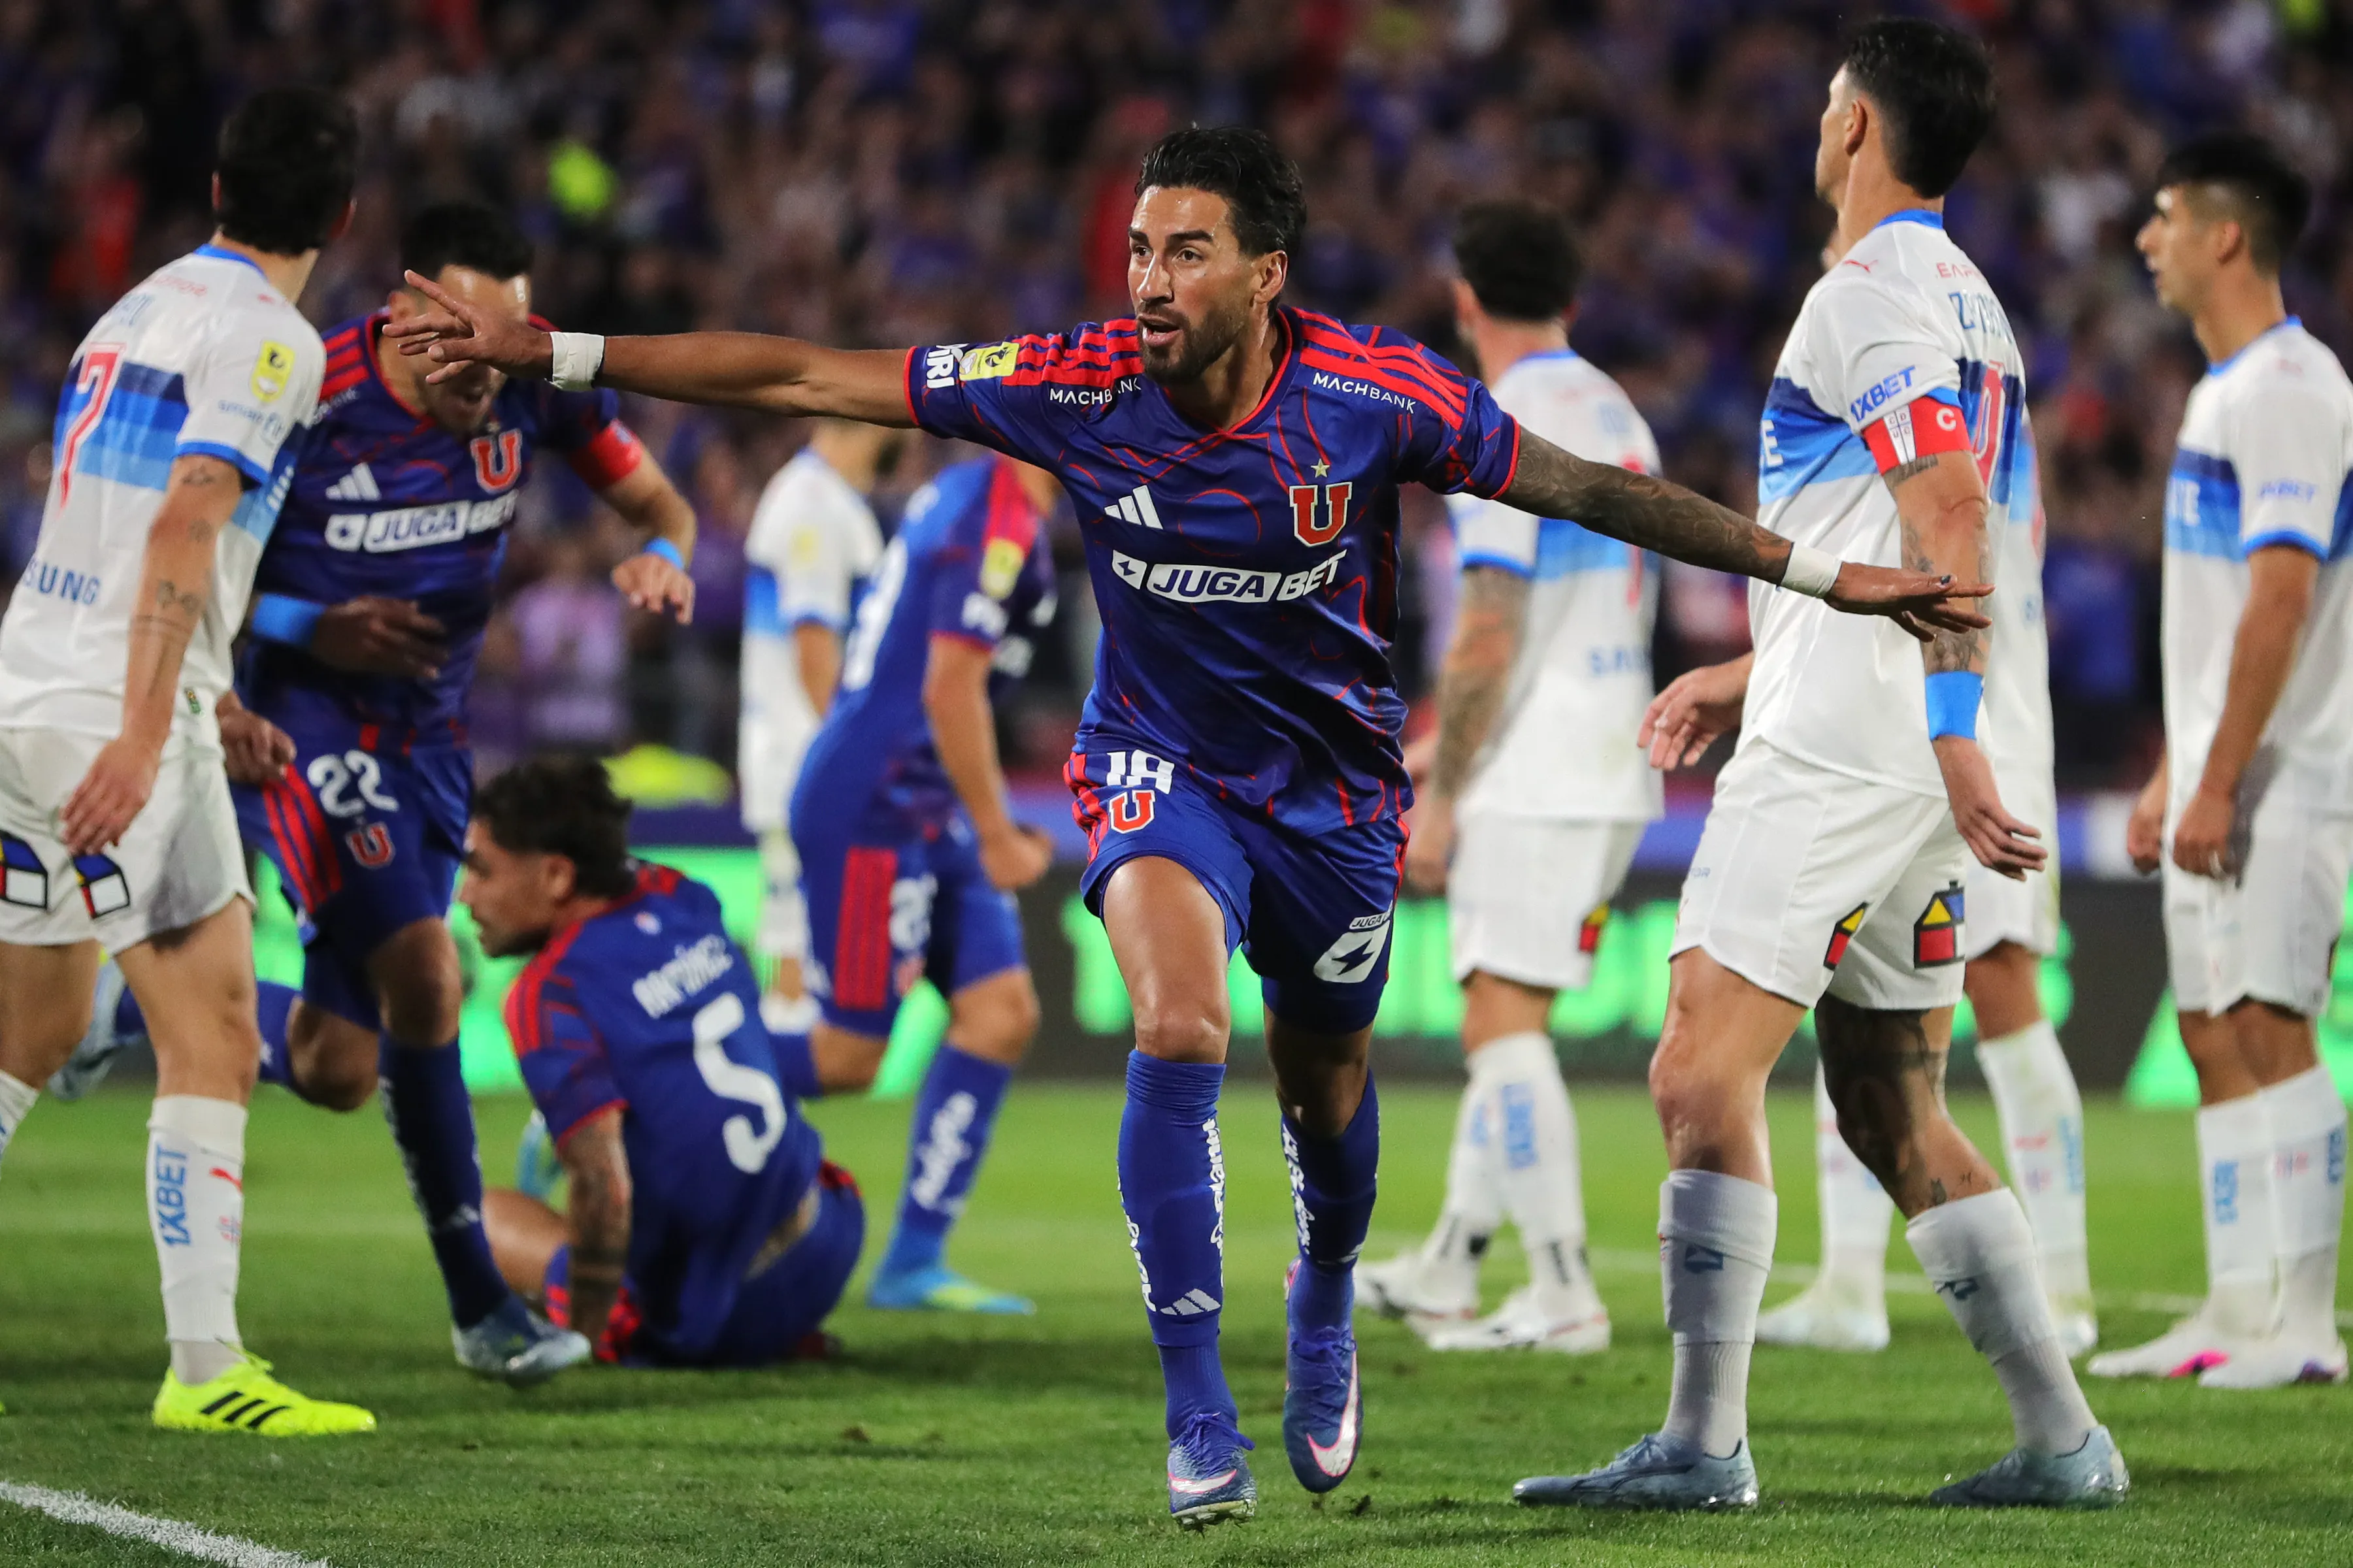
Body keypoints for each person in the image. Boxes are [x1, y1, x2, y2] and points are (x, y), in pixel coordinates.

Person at [386, 123, 1984, 1527]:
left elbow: (1585, 491)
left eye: (1186, 252)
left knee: (1323, 1089)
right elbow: (807, 369)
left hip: (1337, 796)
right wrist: (564, 350)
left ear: (1265, 270)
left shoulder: (1375, 394)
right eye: (1141, 248)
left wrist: (1824, 575)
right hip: (1158, 764)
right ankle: (1192, 1403)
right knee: (1173, 1016)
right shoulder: (1075, 385)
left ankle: (1322, 1304)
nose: (1148, 279)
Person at [1515, 20, 2124, 1512]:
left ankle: (1702, 1439)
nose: (1814, 123)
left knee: (1692, 1065)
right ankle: (2064, 1440)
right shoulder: (1973, 302)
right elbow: (1907, 534)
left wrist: (1950, 728)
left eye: (1824, 104)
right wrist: (1754, 663)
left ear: (1855, 128)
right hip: (1890, 742)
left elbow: (1949, 511)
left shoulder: (1866, 296)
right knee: (1888, 1108)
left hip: (1854, 754)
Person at [54, 201, 702, 1387]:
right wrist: (305, 634)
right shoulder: (308, 390)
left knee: (343, 1066)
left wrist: (668, 548)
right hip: (302, 723)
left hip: (431, 741)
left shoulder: (533, 382)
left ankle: (124, 1012)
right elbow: (190, 558)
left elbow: (663, 501)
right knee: (427, 968)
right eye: (454, 336)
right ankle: (481, 1310)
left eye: (499, 336)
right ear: (402, 312)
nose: (478, 366)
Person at [0, 88, 374, 1434]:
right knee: (215, 1029)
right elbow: (183, 525)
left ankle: (208, 1365)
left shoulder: (134, 310)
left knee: (29, 1033)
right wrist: (155, 725)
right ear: (340, 216)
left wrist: (198, 697)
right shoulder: (276, 345)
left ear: (218, 190)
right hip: (112, 712)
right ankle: (208, 1370)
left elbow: (98, 517)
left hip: (30, 678)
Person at [1661, 444, 2096, 1356]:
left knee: (2002, 996)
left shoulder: (1901, 378)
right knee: (1858, 1026)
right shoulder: (1981, 374)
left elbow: (1931, 565)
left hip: (1955, 720)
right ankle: (1852, 1280)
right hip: (1947, 714)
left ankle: (2064, 1285)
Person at [1355, 199, 1661, 1354]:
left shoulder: (1502, 416)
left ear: (1464, 300)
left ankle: (1565, 1290)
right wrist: (1441, 750)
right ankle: (1447, 1268)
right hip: (1604, 748)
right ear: (1571, 302)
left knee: (1500, 1026)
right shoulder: (1617, 411)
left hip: (1537, 770)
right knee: (1511, 1011)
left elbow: (1491, 624)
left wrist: (1438, 800)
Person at [2089, 131, 2351, 1390]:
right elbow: (2213, 622)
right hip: (2222, 764)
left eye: (2164, 218)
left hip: (2290, 772)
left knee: (2271, 1019)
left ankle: (2307, 1327)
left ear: (2224, 236)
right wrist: (2171, 768)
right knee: (2208, 1030)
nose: (2149, 240)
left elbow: (2280, 601)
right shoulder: (2221, 391)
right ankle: (2234, 1311)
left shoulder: (2293, 388)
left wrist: (2218, 775)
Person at [463, 758, 863, 1368]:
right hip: (824, 1246)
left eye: (480, 871)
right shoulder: (680, 894)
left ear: (555, 876)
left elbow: (603, 1187)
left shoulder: (549, 993)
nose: (465, 895)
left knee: (479, 1213)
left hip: (729, 1310)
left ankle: (645, 1318)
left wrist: (584, 1334)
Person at [781, 451, 1057, 1313]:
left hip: (925, 802)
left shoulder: (980, 494)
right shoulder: (993, 516)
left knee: (1001, 1010)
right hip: (877, 802)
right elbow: (950, 686)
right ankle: (630, 1071)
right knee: (848, 1056)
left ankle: (912, 1261)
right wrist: (1003, 827)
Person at [738, 420, 894, 1024]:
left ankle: (782, 1078)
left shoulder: (817, 498)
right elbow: (813, 644)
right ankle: (784, 1077)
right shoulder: (815, 506)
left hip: (794, 749)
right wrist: (851, 755)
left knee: (791, 929)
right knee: (800, 935)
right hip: (805, 753)